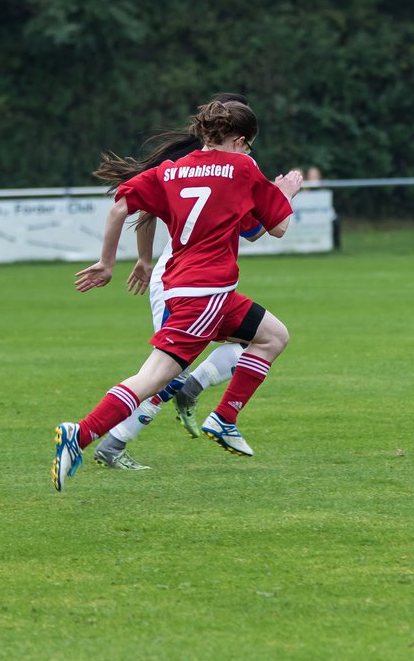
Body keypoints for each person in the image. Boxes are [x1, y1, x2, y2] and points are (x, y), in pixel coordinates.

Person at [51, 98, 303, 491]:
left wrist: (106, 263)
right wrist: (285, 191)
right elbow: (278, 228)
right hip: (204, 293)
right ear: (239, 140)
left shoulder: (173, 170)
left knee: (273, 336)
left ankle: (225, 418)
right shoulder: (243, 167)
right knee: (153, 378)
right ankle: (80, 435)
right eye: (248, 146)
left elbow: (120, 205)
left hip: (197, 288)